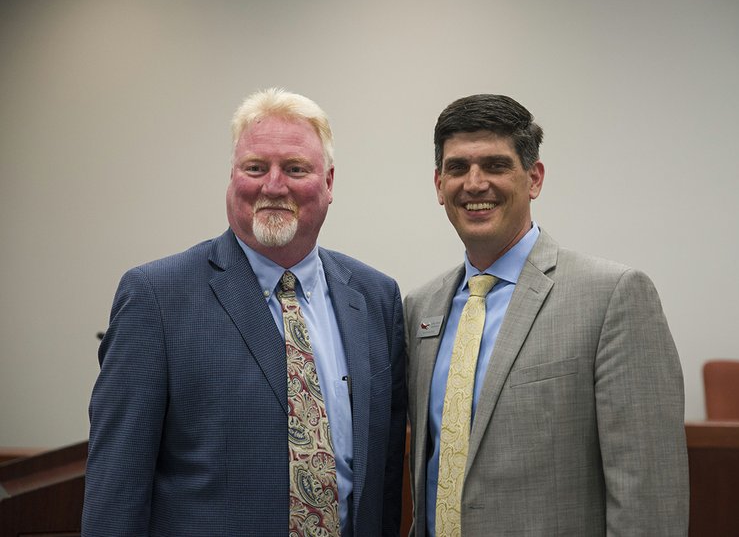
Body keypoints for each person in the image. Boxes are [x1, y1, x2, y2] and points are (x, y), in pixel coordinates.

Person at [83, 88, 407, 537]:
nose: (273, 185)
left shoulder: (375, 298)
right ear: (232, 177)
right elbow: (115, 485)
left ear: (329, 182)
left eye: (295, 168)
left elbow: (385, 477)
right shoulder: (156, 297)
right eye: (255, 168)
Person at [404, 94, 689, 536]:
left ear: (534, 178)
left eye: (496, 165)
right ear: (439, 185)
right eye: (458, 168)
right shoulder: (420, 308)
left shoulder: (612, 296)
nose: (475, 184)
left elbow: (648, 495)